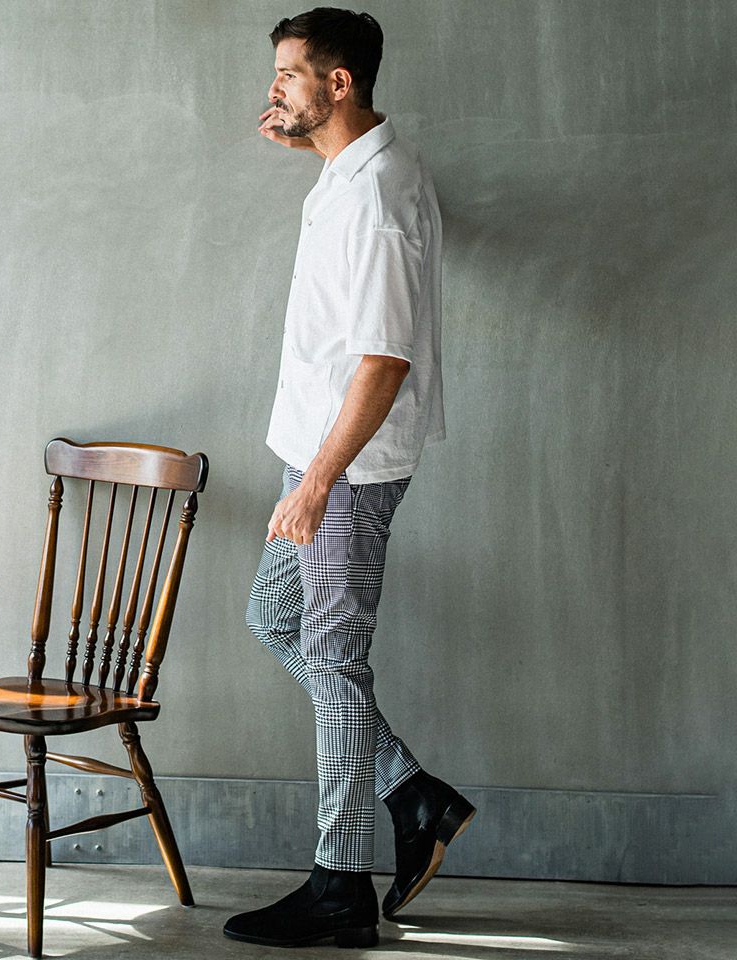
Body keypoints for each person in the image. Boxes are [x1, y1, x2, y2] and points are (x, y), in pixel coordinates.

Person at [224, 7, 475, 949]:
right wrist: (307, 143)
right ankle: (411, 791)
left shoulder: (376, 198)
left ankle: (340, 884)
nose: (274, 88)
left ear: (339, 83)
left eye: (289, 74)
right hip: (320, 456)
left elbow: (382, 359)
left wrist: (319, 482)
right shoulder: (352, 169)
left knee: (333, 658)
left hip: (347, 469)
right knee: (275, 619)